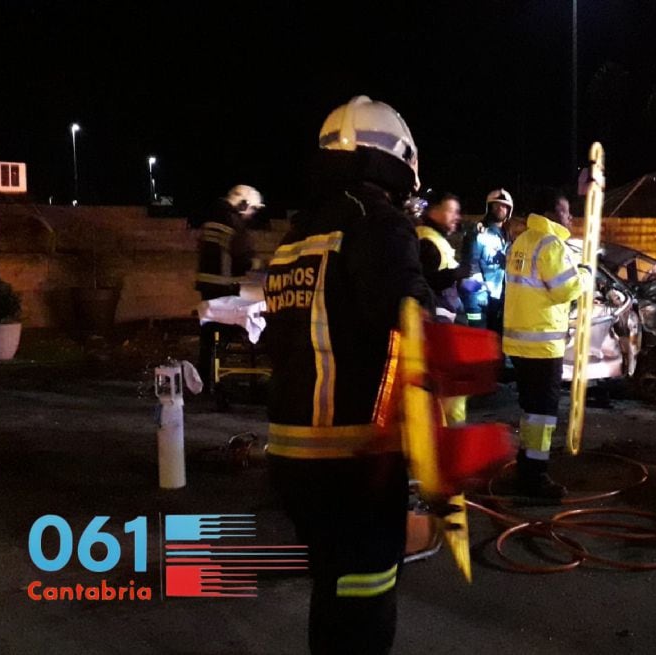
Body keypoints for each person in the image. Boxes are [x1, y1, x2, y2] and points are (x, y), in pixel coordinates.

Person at [263, 95, 433, 655]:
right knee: (365, 596)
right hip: (353, 458)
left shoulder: (297, 234)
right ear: (394, 161)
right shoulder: (375, 222)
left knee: (332, 587)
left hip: (291, 453)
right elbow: (410, 322)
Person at [502, 188, 591, 499]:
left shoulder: (523, 241)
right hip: (542, 345)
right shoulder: (550, 244)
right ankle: (535, 478)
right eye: (566, 211)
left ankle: (526, 464)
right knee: (542, 413)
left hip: (519, 343)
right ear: (552, 214)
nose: (571, 217)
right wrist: (585, 274)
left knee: (531, 409)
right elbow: (565, 289)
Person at [193, 184, 264, 389]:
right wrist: (259, 265)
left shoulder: (210, 219)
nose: (252, 214)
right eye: (252, 208)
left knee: (208, 336)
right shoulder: (233, 222)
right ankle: (221, 379)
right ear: (243, 204)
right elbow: (243, 258)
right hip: (225, 288)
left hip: (207, 286)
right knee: (231, 332)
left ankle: (204, 379)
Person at [416, 190, 473, 426]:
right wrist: (457, 274)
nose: (456, 217)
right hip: (440, 331)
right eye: (451, 211)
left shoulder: (434, 238)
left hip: (446, 327)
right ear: (434, 211)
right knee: (447, 393)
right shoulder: (426, 240)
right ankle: (449, 434)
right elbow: (427, 280)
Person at [460, 188, 512, 331]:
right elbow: (470, 268)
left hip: (498, 300)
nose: (500, 208)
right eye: (496, 205)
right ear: (489, 207)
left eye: (504, 206)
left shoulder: (507, 237)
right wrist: (478, 297)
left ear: (509, 210)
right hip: (479, 300)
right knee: (478, 337)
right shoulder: (478, 232)